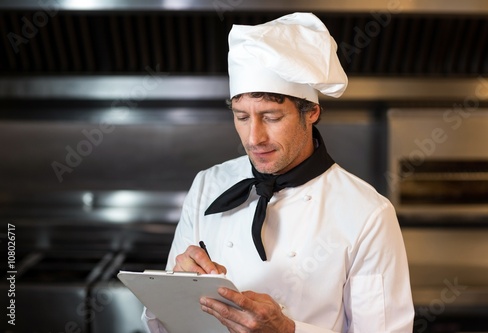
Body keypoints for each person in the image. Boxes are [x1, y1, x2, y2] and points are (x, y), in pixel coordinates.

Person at [142, 12, 414, 333]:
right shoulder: (208, 184)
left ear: (311, 112)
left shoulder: (368, 214)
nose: (254, 138)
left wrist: (287, 330)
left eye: (270, 117)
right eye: (242, 117)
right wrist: (174, 288)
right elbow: (165, 326)